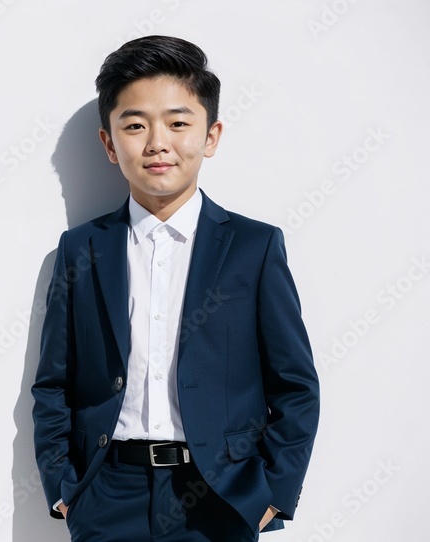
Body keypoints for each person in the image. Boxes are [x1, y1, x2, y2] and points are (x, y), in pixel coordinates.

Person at [31, 35, 320, 541]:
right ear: (109, 143)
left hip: (220, 496)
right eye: (135, 125)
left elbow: (295, 385)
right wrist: (65, 489)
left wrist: (273, 492)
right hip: (107, 493)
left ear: (211, 136)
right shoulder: (81, 249)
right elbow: (54, 383)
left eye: (178, 123)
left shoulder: (254, 247)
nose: (157, 142)